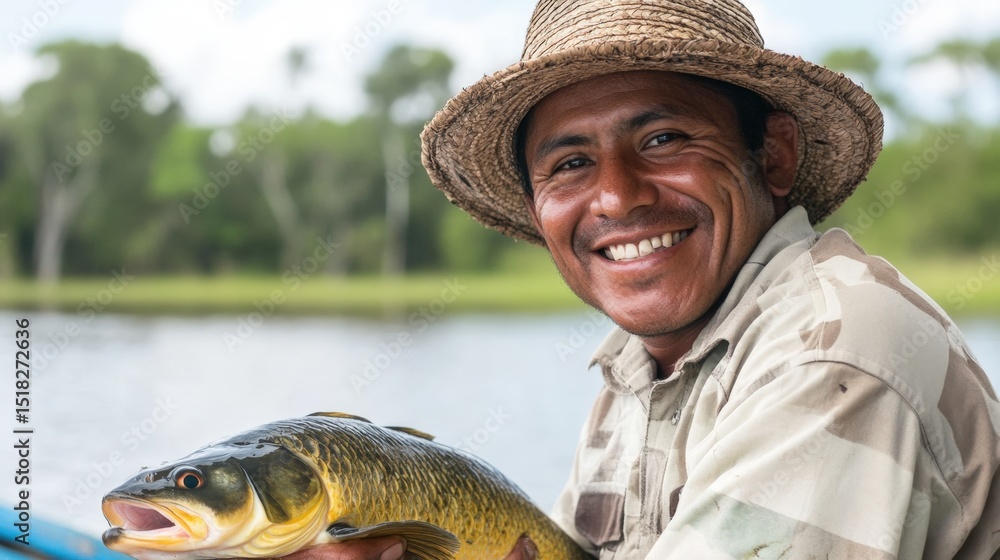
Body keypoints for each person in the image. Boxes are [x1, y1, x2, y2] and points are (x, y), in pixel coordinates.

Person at [288, 0, 1000, 558]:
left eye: (663, 140)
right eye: (569, 163)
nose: (618, 197)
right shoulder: (642, 368)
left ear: (774, 156)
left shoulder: (835, 353)